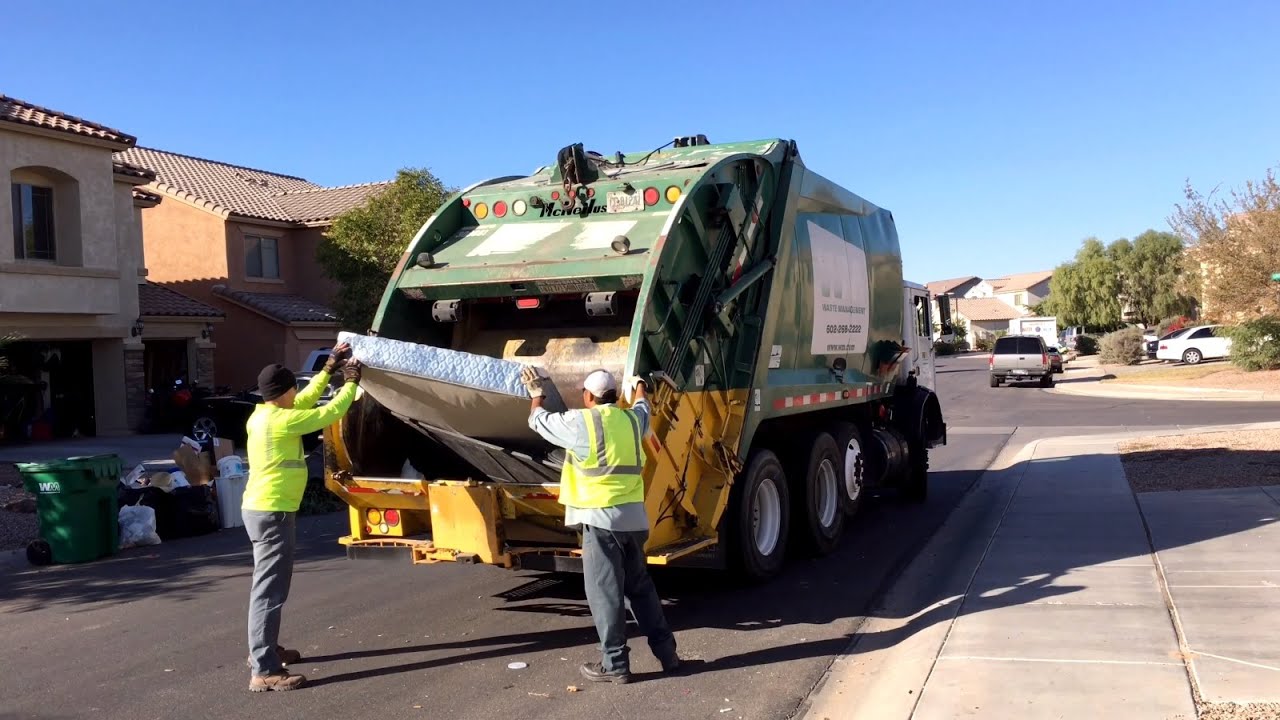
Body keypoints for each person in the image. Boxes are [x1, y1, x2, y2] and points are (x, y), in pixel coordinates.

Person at [521, 366, 680, 684]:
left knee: (605, 593)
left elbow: (538, 421)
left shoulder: (582, 423)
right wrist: (639, 385)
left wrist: (537, 393)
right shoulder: (633, 421)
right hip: (633, 521)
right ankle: (668, 656)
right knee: (640, 589)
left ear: (588, 396)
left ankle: (615, 664)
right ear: (615, 396)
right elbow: (643, 405)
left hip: (600, 521)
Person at [242, 343, 363, 692]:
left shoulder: (264, 415)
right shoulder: (282, 421)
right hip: (273, 512)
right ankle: (264, 669)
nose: (297, 393)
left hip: (262, 509)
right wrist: (351, 383)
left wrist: (328, 369)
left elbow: (306, 401)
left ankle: (266, 650)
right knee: (269, 591)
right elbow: (328, 412)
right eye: (294, 388)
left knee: (269, 586)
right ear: (285, 391)